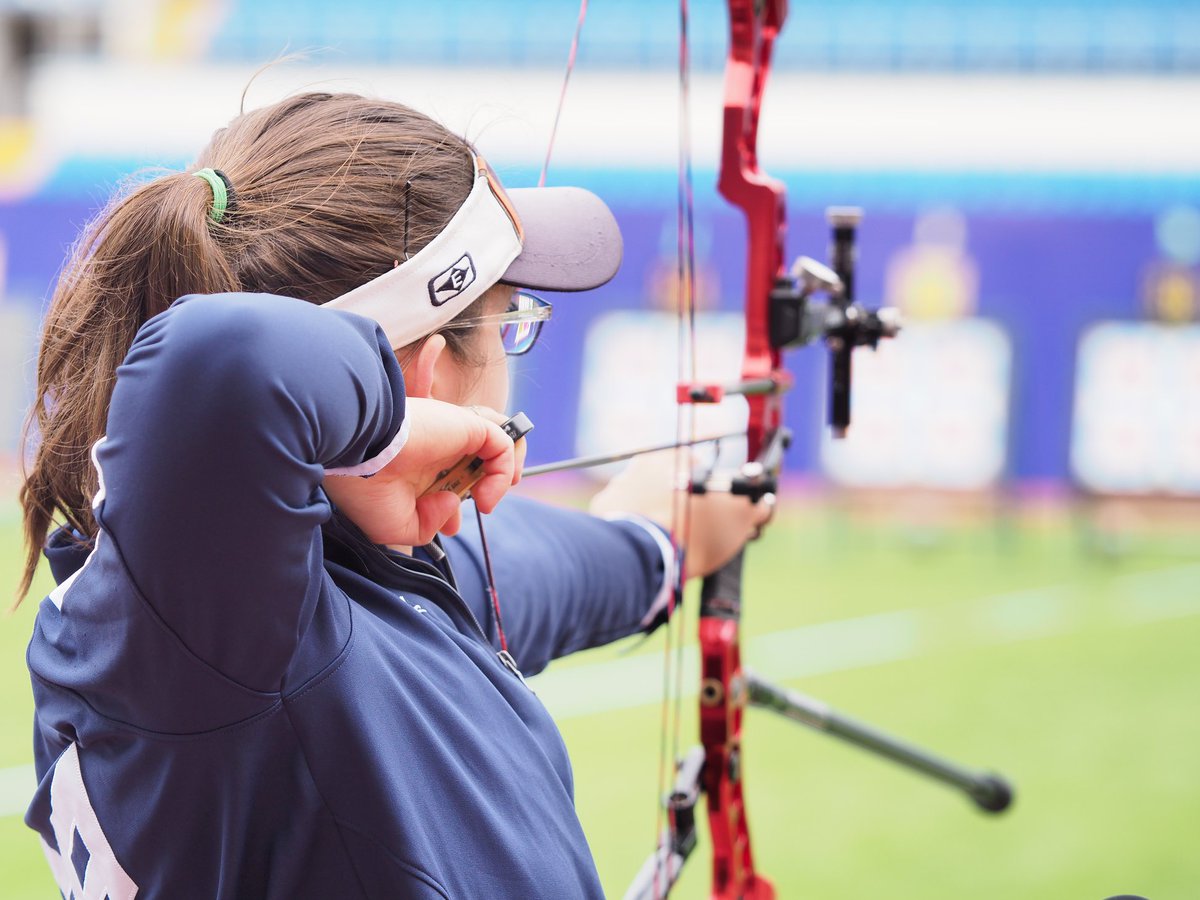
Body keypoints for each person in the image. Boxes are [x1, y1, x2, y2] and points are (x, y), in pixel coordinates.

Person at [19, 91, 769, 899]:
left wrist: (658, 538)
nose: (511, 353)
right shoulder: (226, 643)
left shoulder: (323, 591)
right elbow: (222, 363)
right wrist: (389, 430)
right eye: (510, 322)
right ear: (428, 376)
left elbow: (528, 573)